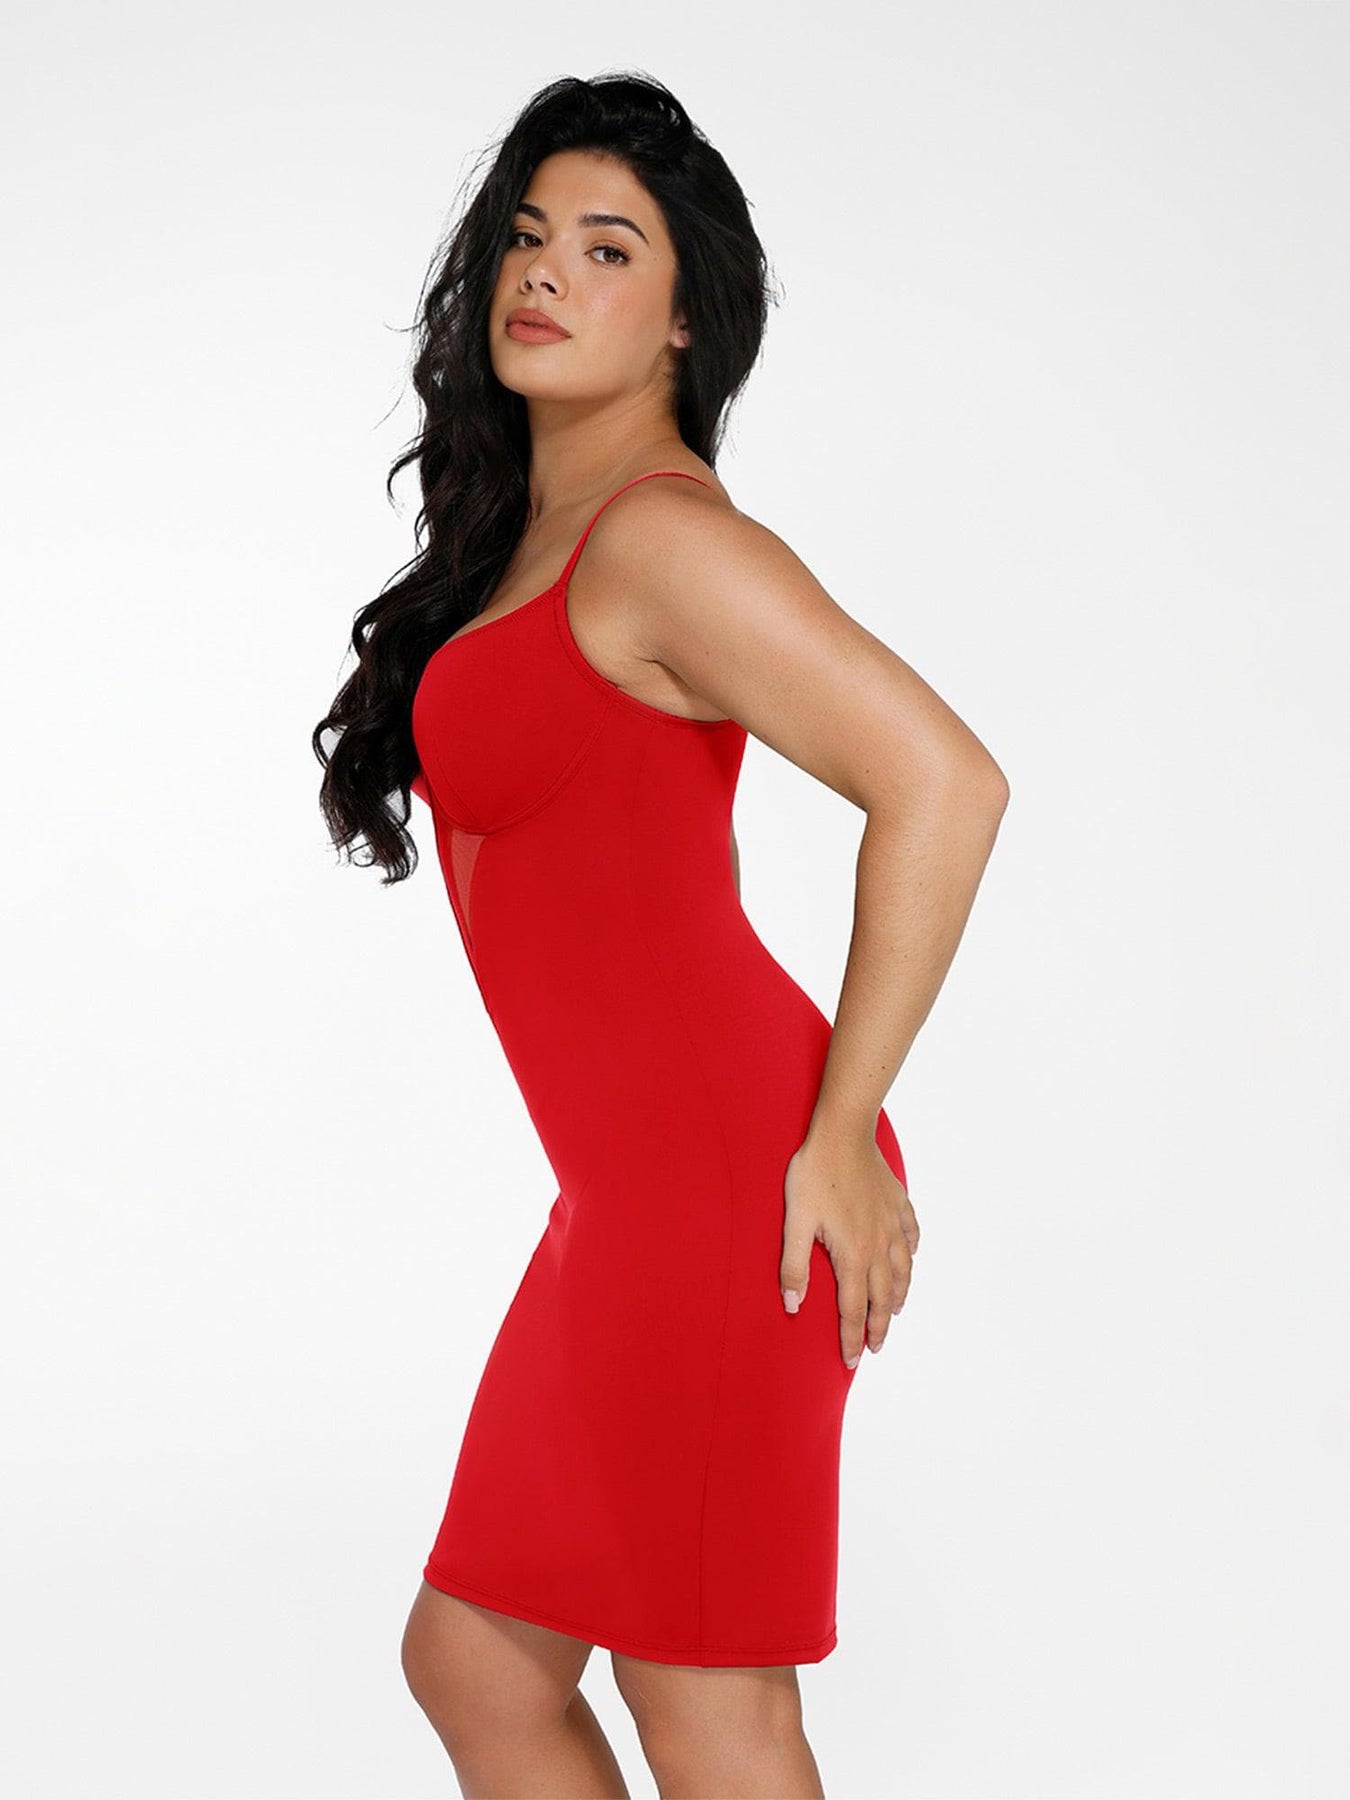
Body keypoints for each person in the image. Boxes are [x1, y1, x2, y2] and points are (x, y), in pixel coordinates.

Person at [313, 71, 1008, 1800]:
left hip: (732, 1191)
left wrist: (838, 1134)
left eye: (608, 248)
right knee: (477, 1662)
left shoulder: (665, 544)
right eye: (526, 236)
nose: (545, 270)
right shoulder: (540, 535)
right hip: (623, 1202)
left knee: (706, 1705)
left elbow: (944, 783)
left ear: (686, 318)